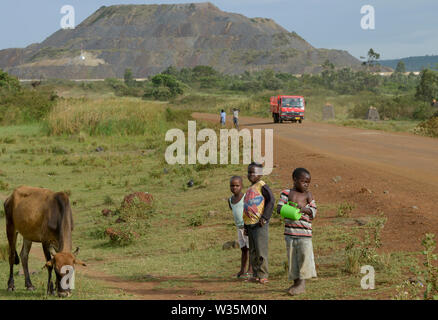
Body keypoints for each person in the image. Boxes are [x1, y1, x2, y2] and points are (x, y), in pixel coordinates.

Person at [277, 167, 317, 296]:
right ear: (294, 180)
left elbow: (314, 211)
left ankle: (302, 284)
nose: (306, 185)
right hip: (290, 233)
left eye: (308, 182)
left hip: (304, 234)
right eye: (303, 181)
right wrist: (291, 209)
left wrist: (303, 209)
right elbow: (279, 208)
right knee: (292, 259)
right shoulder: (286, 193)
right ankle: (296, 283)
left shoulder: (308, 195)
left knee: (304, 258)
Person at [243, 162, 275, 284]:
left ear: (260, 174)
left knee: (261, 250)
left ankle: (263, 275)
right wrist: (245, 226)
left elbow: (271, 200)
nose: (251, 174)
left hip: (259, 224)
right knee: (253, 251)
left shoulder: (262, 186)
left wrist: (265, 217)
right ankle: (255, 274)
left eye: (253, 172)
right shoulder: (249, 189)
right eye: (249, 172)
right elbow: (247, 207)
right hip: (250, 224)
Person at [228, 176, 253, 279]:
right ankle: (242, 270)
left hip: (247, 227)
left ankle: (250, 270)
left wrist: (248, 226)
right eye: (232, 185)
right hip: (239, 228)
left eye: (237, 185)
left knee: (250, 248)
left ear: (242, 186)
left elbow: (249, 211)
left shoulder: (245, 197)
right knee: (243, 249)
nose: (234, 188)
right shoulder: (230, 200)